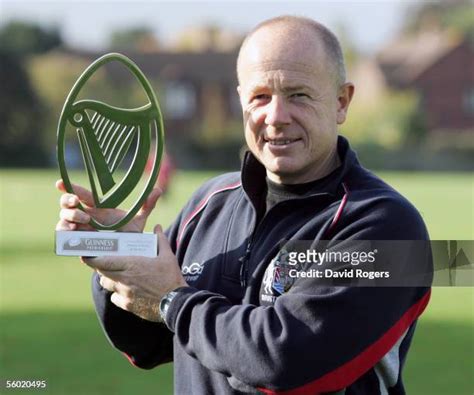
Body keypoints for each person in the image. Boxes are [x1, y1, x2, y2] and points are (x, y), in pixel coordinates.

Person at [56, 16, 432, 395]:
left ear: (341, 101)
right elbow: (146, 342)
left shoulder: (392, 229)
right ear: (241, 101)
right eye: (260, 97)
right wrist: (119, 249)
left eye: (298, 94)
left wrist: (173, 301)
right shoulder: (208, 204)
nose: (276, 116)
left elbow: (287, 361)